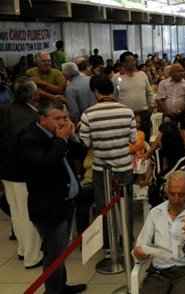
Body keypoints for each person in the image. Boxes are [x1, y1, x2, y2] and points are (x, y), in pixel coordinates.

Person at [18, 100, 87, 294]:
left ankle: (60, 286)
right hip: (48, 207)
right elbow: (45, 164)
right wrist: (61, 140)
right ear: (43, 119)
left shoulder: (61, 135)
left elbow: (81, 153)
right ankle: (53, 291)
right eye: (58, 118)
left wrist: (72, 137)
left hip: (66, 201)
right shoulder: (29, 138)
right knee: (54, 254)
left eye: (65, 117)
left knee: (60, 252)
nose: (63, 122)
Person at [79, 76, 137, 248]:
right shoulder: (127, 111)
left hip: (101, 169)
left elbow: (86, 143)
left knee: (103, 208)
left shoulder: (88, 114)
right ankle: (127, 242)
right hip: (124, 166)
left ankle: (107, 245)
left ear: (96, 92)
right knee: (126, 206)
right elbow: (133, 139)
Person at [134, 171, 185, 294]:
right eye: (172, 194)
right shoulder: (156, 212)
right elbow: (140, 247)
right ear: (166, 192)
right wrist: (139, 253)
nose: (175, 199)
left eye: (181, 195)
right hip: (159, 272)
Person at [0, 77, 44, 269]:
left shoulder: (4, 110)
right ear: (33, 95)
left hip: (7, 170)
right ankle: (32, 256)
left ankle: (22, 249)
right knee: (28, 214)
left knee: (16, 213)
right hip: (24, 172)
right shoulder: (32, 117)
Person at [112, 51, 154, 140]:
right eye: (129, 61)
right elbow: (114, 96)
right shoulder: (117, 78)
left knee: (145, 138)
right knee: (128, 140)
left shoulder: (142, 74)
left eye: (134, 60)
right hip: (125, 115)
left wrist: (151, 106)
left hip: (144, 113)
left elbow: (149, 92)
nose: (133, 63)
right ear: (123, 63)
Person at [156, 63, 185, 128]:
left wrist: (180, 111)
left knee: (182, 135)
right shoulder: (163, 83)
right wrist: (167, 112)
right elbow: (160, 100)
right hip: (167, 114)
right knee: (167, 134)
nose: (181, 73)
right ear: (171, 73)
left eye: (182, 71)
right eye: (178, 71)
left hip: (182, 115)